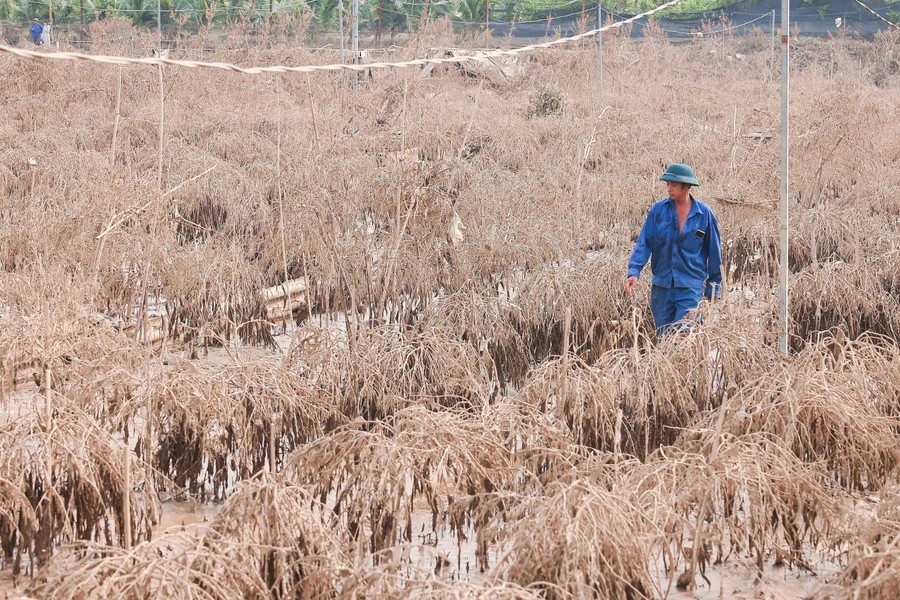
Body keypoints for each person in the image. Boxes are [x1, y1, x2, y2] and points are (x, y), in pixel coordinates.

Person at [624, 163, 722, 336]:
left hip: (690, 287)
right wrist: (634, 272)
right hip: (662, 287)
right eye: (667, 184)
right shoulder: (658, 211)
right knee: (664, 337)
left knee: (684, 336)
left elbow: (714, 252)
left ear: (687, 186)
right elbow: (644, 243)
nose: (669, 188)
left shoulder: (704, 214)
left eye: (674, 185)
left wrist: (713, 287)